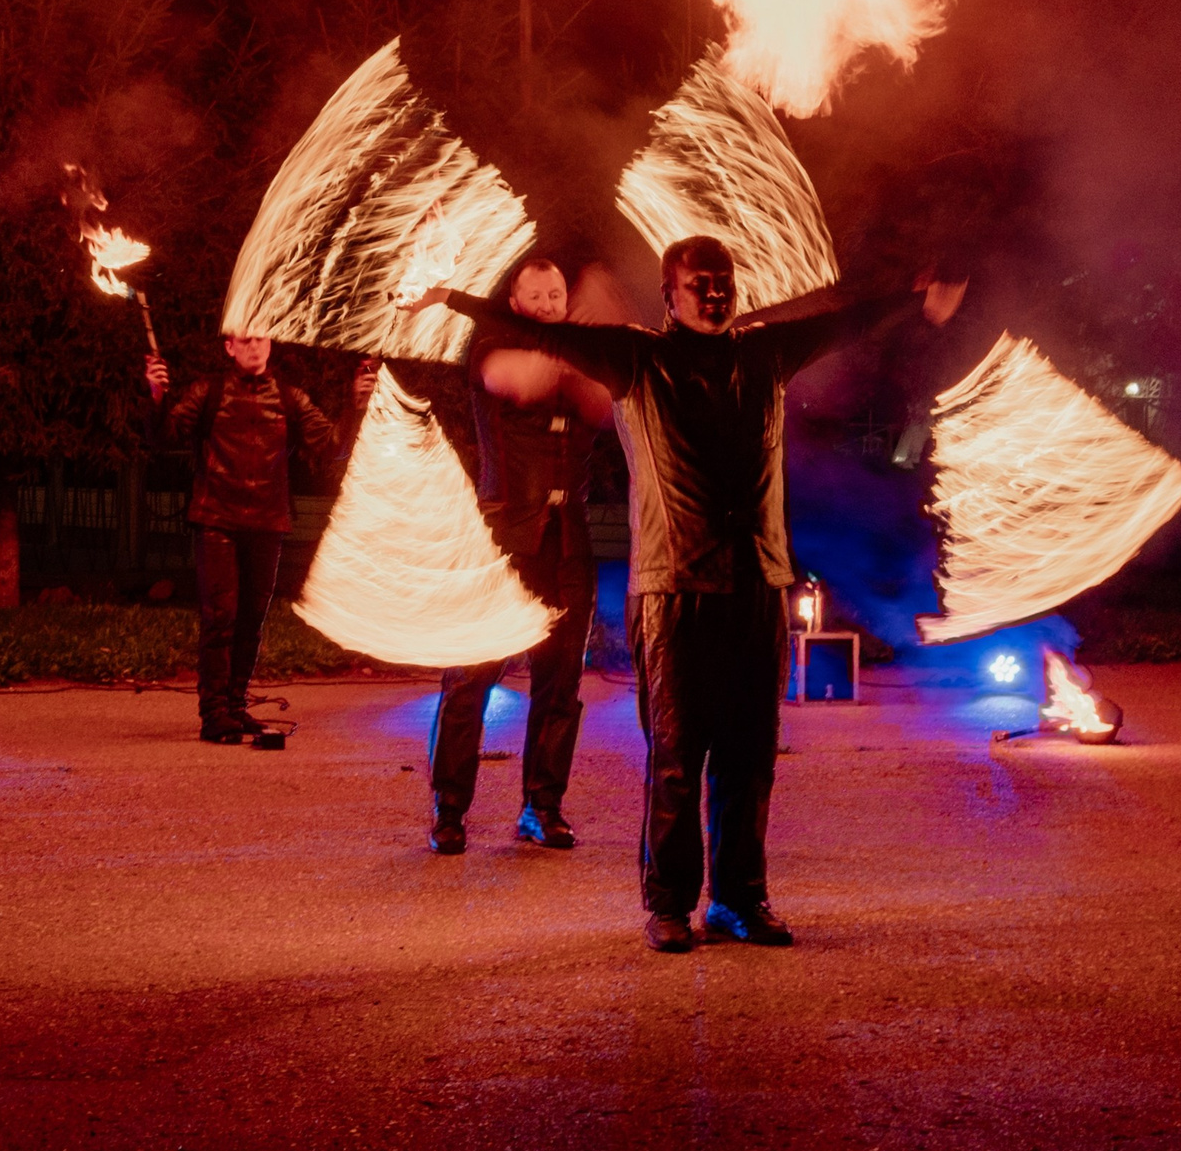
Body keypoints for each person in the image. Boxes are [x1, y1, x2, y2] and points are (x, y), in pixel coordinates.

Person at [414, 238, 965, 952]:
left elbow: (841, 322)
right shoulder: (636, 358)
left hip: (757, 581)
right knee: (677, 753)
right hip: (673, 586)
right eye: (698, 284)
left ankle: (739, 898)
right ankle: (670, 902)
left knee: (750, 752)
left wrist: (914, 300)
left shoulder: (764, 353)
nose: (714, 294)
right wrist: (450, 298)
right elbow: (538, 332)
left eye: (723, 282)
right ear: (670, 294)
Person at [426, 257, 612, 856]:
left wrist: (594, 342)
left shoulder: (581, 360)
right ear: (516, 300)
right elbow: (521, 379)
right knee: (472, 680)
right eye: (538, 295)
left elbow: (605, 403)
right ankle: (449, 810)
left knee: (560, 686)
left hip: (567, 544)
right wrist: (578, 340)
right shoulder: (492, 345)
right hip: (504, 539)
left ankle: (542, 807)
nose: (551, 304)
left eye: (559, 294)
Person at [148, 336, 374, 743]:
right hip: (216, 519)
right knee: (222, 618)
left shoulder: (289, 398)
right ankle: (214, 713)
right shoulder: (209, 391)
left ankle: (235, 708)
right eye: (245, 339)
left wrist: (354, 406)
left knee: (251, 622)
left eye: (261, 338)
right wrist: (156, 394)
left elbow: (332, 446)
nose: (255, 346)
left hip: (268, 523)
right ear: (230, 347)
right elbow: (167, 435)